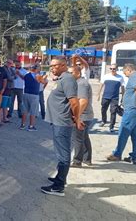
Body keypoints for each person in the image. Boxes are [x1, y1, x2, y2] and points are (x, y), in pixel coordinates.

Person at [41, 57, 84, 197]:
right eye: (50, 66)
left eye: (54, 66)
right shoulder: (61, 79)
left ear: (63, 65)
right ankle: (60, 178)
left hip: (62, 122)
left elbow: (75, 103)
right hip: (58, 121)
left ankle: (58, 187)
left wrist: (77, 119)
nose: (51, 68)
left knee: (63, 154)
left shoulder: (67, 79)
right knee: (61, 153)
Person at [68, 66, 94, 167]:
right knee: (84, 138)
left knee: (78, 138)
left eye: (71, 73)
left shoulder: (81, 84)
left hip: (82, 116)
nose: (69, 75)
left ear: (78, 73)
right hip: (85, 115)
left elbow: (83, 101)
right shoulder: (78, 83)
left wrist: (77, 117)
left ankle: (77, 161)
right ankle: (87, 159)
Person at [98, 64, 125, 133]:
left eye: (114, 69)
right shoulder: (106, 76)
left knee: (113, 112)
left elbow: (122, 88)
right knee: (103, 110)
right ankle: (104, 121)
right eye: (111, 69)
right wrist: (98, 94)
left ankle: (111, 126)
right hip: (105, 96)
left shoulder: (120, 78)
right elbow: (101, 84)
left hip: (115, 98)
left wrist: (123, 97)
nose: (112, 70)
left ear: (117, 69)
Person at [20, 64, 45, 131]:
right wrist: (44, 77)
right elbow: (43, 82)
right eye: (39, 68)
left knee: (25, 110)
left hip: (26, 93)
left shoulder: (27, 75)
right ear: (36, 69)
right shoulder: (37, 76)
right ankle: (31, 126)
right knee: (33, 111)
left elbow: (23, 78)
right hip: (34, 95)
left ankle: (22, 125)